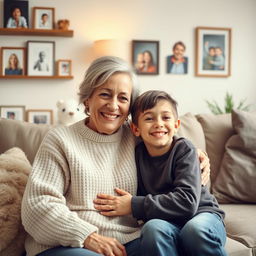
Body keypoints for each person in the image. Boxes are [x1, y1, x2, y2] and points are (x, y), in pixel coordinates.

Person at [21, 56, 210, 256]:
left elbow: (168, 139)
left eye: (123, 98)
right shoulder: (60, 140)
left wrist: (198, 154)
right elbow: (37, 206)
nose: (113, 105)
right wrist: (87, 236)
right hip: (71, 243)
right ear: (87, 98)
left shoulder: (135, 134)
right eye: (105, 94)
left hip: (129, 240)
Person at [93, 90, 227, 256]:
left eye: (166, 117)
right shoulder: (135, 154)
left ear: (176, 125)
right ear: (135, 129)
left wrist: (133, 205)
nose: (158, 124)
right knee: (152, 228)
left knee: (194, 230)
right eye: (149, 118)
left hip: (202, 215)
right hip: (167, 223)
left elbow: (187, 202)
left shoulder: (184, 150)